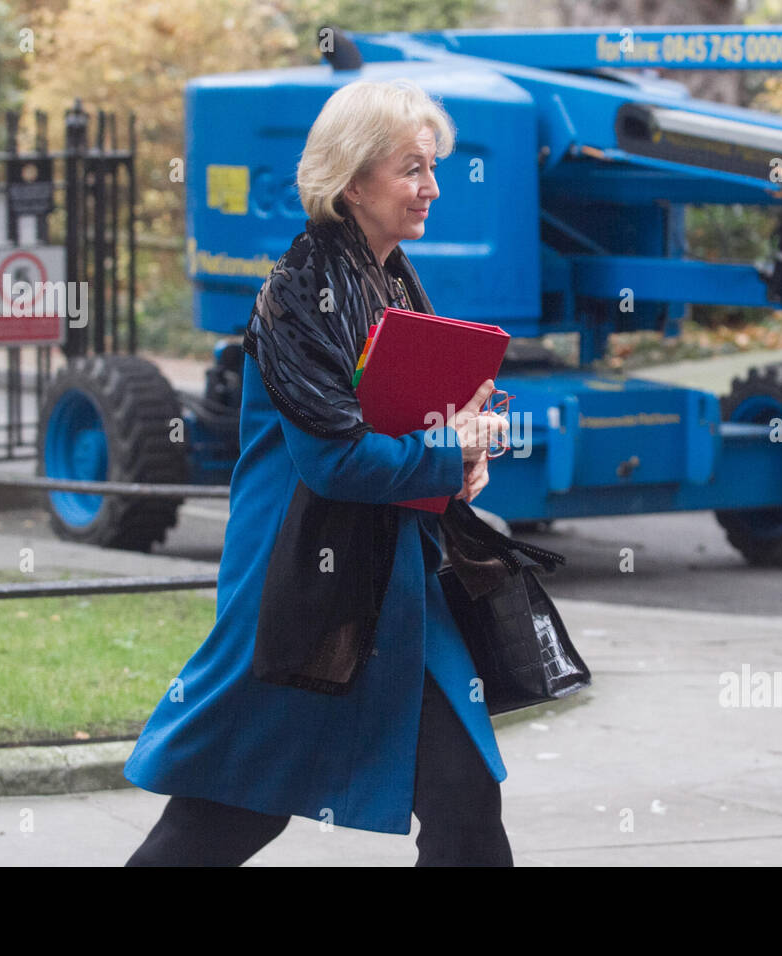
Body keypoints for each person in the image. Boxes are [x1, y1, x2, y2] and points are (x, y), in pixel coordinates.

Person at [123, 78, 515, 866]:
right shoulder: (301, 289)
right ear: (352, 179)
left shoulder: (391, 274)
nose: (432, 187)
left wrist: (460, 462)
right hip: (301, 582)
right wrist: (445, 451)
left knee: (466, 797)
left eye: (432, 167)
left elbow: (399, 423)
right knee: (231, 810)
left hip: (393, 579)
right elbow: (334, 459)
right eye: (411, 168)